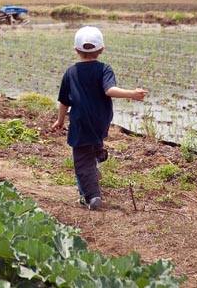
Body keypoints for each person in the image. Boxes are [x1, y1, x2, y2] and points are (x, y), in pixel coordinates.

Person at [51, 26, 147, 210]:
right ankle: (97, 154)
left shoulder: (71, 72)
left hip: (80, 122)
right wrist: (131, 94)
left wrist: (60, 120)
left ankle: (91, 196)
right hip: (101, 122)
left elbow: (64, 100)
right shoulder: (105, 69)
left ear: (76, 50)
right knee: (92, 143)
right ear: (101, 49)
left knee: (82, 162)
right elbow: (109, 90)